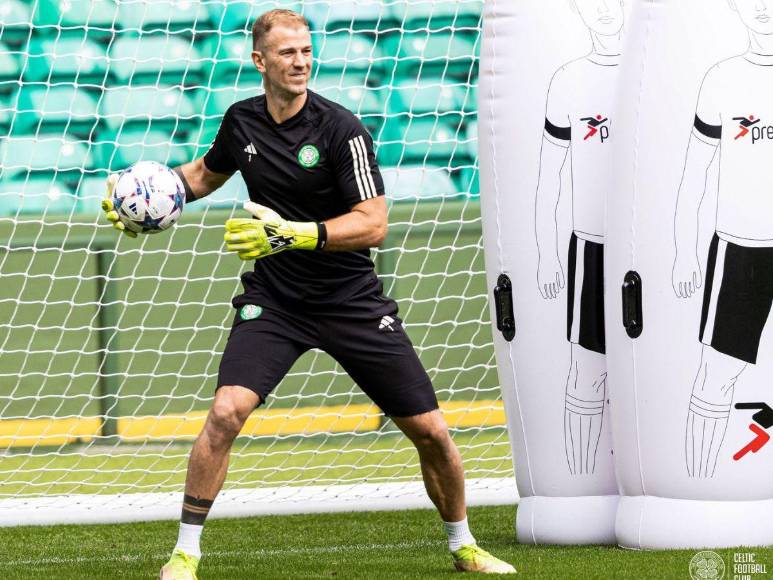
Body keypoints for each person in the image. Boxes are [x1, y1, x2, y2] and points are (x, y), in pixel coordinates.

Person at [101, 9, 515, 578]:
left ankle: (463, 543)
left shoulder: (341, 130)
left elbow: (373, 224)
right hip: (275, 301)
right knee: (225, 413)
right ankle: (185, 553)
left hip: (351, 301)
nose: (300, 62)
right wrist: (146, 200)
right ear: (260, 61)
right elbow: (205, 173)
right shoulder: (240, 122)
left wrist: (297, 234)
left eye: (306, 52)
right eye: (288, 53)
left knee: (431, 431)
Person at [673, 0, 773, 478]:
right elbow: (694, 175)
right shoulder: (722, 79)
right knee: (716, 376)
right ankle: (699, 487)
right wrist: (683, 253)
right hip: (740, 251)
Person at [534, 0, 625, 475]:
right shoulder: (568, 80)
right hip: (590, 246)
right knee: (587, 370)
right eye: (593, 3)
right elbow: (548, 178)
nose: (605, 11)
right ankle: (581, 480)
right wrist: (548, 253)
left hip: (647, 248)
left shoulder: (653, 76)